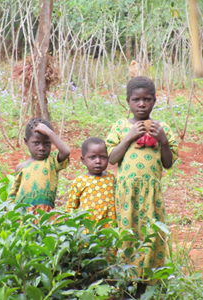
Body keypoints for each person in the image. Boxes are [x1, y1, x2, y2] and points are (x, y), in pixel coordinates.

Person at [105, 76, 178, 299]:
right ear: (128, 101)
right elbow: (111, 158)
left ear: (155, 101)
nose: (142, 104)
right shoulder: (120, 127)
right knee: (127, 236)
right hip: (126, 194)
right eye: (136, 99)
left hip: (151, 195)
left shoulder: (162, 128)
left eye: (147, 99)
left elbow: (167, 163)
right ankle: (126, 284)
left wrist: (163, 140)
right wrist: (128, 138)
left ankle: (146, 287)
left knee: (151, 236)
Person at [8, 118, 70, 216]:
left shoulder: (52, 160)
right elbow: (12, 194)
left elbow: (66, 152)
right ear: (26, 142)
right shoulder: (21, 167)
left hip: (45, 213)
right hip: (24, 214)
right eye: (36, 143)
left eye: (46, 143)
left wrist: (49, 133)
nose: (41, 148)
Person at [66, 137, 116, 227]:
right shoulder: (79, 182)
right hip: (88, 231)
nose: (98, 161)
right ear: (83, 160)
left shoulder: (112, 178)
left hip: (110, 230)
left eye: (103, 157)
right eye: (92, 157)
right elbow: (71, 208)